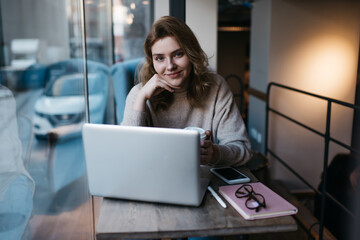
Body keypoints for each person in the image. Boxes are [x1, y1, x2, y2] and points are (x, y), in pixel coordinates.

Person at [121, 16, 251, 167]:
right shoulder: (139, 94)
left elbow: (243, 150)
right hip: (155, 178)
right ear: (152, 61)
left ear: (191, 53)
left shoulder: (216, 87)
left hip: (203, 179)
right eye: (160, 58)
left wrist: (215, 153)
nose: (170, 66)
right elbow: (128, 154)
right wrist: (141, 98)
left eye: (178, 54)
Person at [314, 153, 360, 240]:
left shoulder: (326, 185)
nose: (359, 175)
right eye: (357, 171)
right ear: (347, 171)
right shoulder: (342, 197)